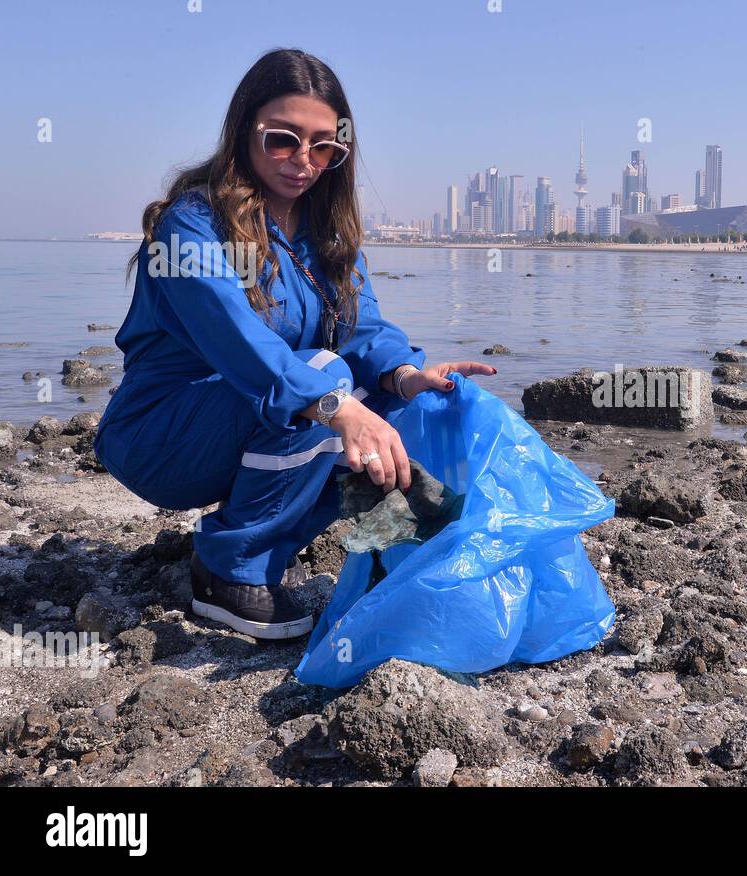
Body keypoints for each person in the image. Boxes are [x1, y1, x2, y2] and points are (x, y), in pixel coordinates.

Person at [94, 49, 497, 640]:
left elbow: (363, 328)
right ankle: (229, 570)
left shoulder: (327, 232)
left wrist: (405, 376)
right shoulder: (191, 225)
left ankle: (342, 546)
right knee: (327, 384)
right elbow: (241, 344)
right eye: (283, 140)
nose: (303, 161)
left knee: (387, 401)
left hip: (247, 419)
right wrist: (338, 404)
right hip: (161, 437)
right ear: (243, 132)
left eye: (324, 146)